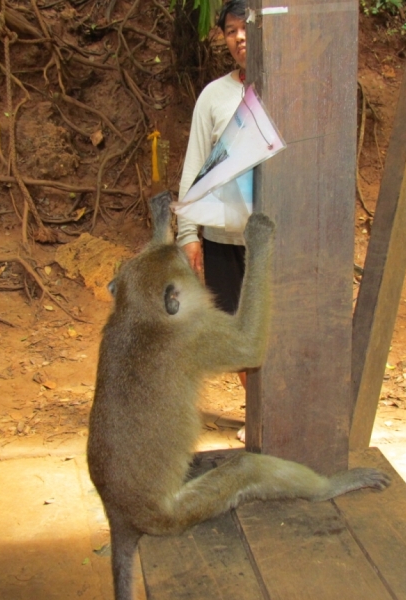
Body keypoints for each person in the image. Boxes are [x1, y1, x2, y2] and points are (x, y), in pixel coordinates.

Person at [177, 0, 249, 441]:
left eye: (246, 28)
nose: (239, 37)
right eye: (230, 31)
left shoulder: (290, 85)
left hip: (277, 236)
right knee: (232, 326)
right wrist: (189, 233)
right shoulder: (215, 96)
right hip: (224, 234)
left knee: (275, 323)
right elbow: (195, 165)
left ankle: (278, 410)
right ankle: (260, 410)